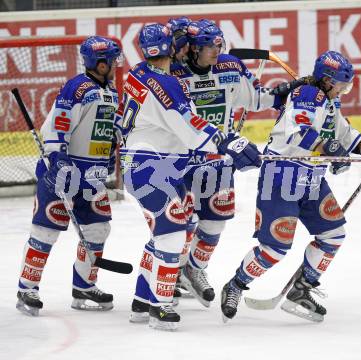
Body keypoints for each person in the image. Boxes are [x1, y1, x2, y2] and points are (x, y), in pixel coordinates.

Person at [220, 50, 361, 322]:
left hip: (312, 178)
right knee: (274, 248)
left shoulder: (329, 101)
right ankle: (235, 285)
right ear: (327, 80)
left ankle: (302, 288)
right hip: (282, 175)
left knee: (333, 235)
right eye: (341, 85)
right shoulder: (308, 95)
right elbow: (298, 133)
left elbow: (344, 132)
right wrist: (328, 148)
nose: (344, 90)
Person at [120, 23, 261, 331]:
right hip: (152, 165)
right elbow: (190, 123)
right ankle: (160, 306)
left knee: (169, 231)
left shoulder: (138, 73)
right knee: (171, 232)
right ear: (174, 48)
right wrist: (228, 141)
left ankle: (142, 301)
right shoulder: (166, 84)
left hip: (156, 163)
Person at [170, 19, 285, 307]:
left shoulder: (230, 67)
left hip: (218, 160)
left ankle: (193, 270)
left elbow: (257, 98)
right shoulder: (171, 74)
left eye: (220, 44)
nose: (217, 50)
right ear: (194, 48)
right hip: (178, 160)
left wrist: (287, 90)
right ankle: (167, 275)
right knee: (177, 225)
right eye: (211, 46)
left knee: (215, 222)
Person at [16, 36, 122, 316]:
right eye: (112, 61)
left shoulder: (110, 91)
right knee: (46, 231)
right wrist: (58, 161)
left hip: (93, 178)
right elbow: (57, 127)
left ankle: (84, 286)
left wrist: (111, 150)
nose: (116, 66)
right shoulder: (78, 88)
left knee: (99, 229)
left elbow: (107, 131)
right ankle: (27, 288)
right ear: (101, 64)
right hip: (63, 174)